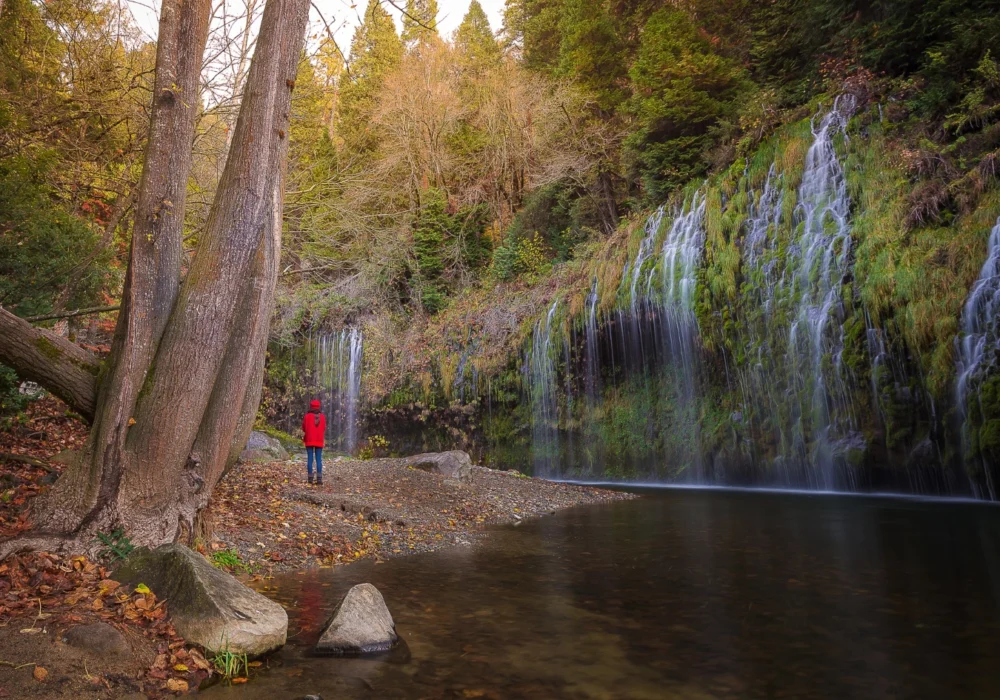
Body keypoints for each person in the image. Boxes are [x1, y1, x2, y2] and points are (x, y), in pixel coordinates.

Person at [302, 399, 326, 485]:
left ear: (311, 406)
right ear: (319, 407)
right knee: (319, 459)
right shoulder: (322, 417)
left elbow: (304, 428)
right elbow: (324, 428)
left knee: (310, 459)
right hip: (319, 440)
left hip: (309, 440)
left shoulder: (307, 416)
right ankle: (319, 479)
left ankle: (310, 479)